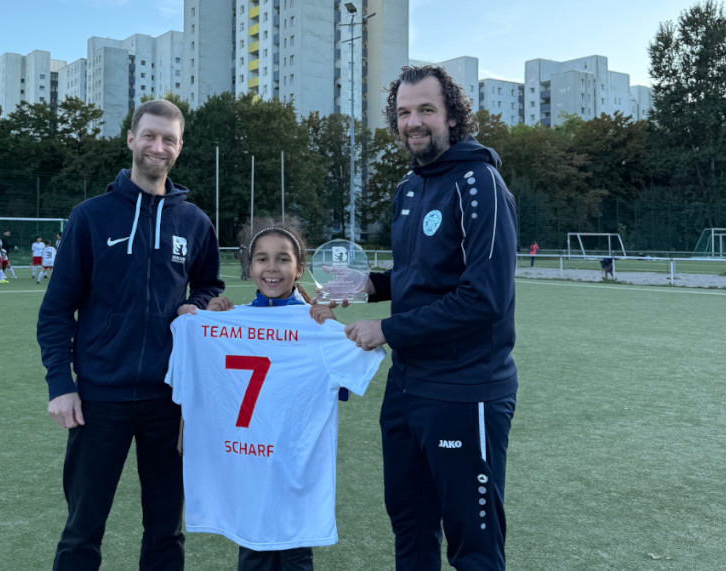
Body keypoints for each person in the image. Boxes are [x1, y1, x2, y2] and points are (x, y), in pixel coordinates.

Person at [341, 65, 518, 570]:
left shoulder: (479, 181)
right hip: (407, 389)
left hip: (466, 390)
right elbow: (419, 275)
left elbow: (483, 298)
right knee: (410, 527)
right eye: (403, 112)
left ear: (453, 117)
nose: (413, 122)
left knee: (474, 546)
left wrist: (386, 330)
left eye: (426, 110)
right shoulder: (409, 188)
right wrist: (368, 286)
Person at [37, 99, 224, 571]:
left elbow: (209, 285)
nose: (157, 147)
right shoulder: (91, 217)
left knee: (166, 531)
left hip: (171, 400)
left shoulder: (195, 222)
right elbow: (57, 310)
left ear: (179, 148)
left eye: (168, 139)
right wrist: (61, 384)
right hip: (99, 398)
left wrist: (196, 304)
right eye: (149, 136)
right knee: (82, 530)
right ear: (131, 138)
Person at [165, 221, 385, 571]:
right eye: (262, 259)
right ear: (249, 267)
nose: (271, 268)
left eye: (283, 259)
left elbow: (340, 385)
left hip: (294, 474)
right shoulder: (222, 322)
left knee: (295, 557)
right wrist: (204, 323)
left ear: (300, 268)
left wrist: (329, 328)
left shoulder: (315, 326)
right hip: (247, 474)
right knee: (252, 554)